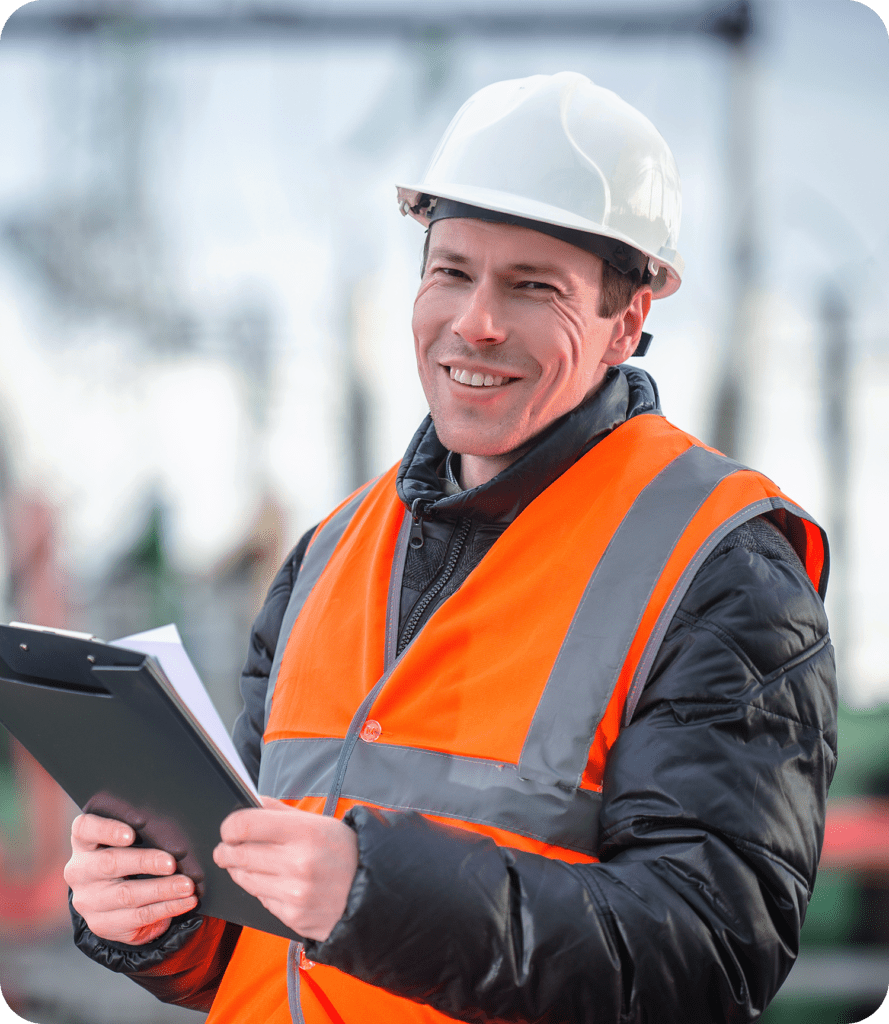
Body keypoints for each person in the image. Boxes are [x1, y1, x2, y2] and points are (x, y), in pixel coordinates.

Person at [64, 72, 837, 1023]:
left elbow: (709, 957)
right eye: (452, 271)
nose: (474, 321)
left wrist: (373, 895)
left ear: (624, 323)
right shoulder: (325, 556)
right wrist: (158, 919)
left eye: (532, 288)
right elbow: (258, 933)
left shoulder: (723, 573)